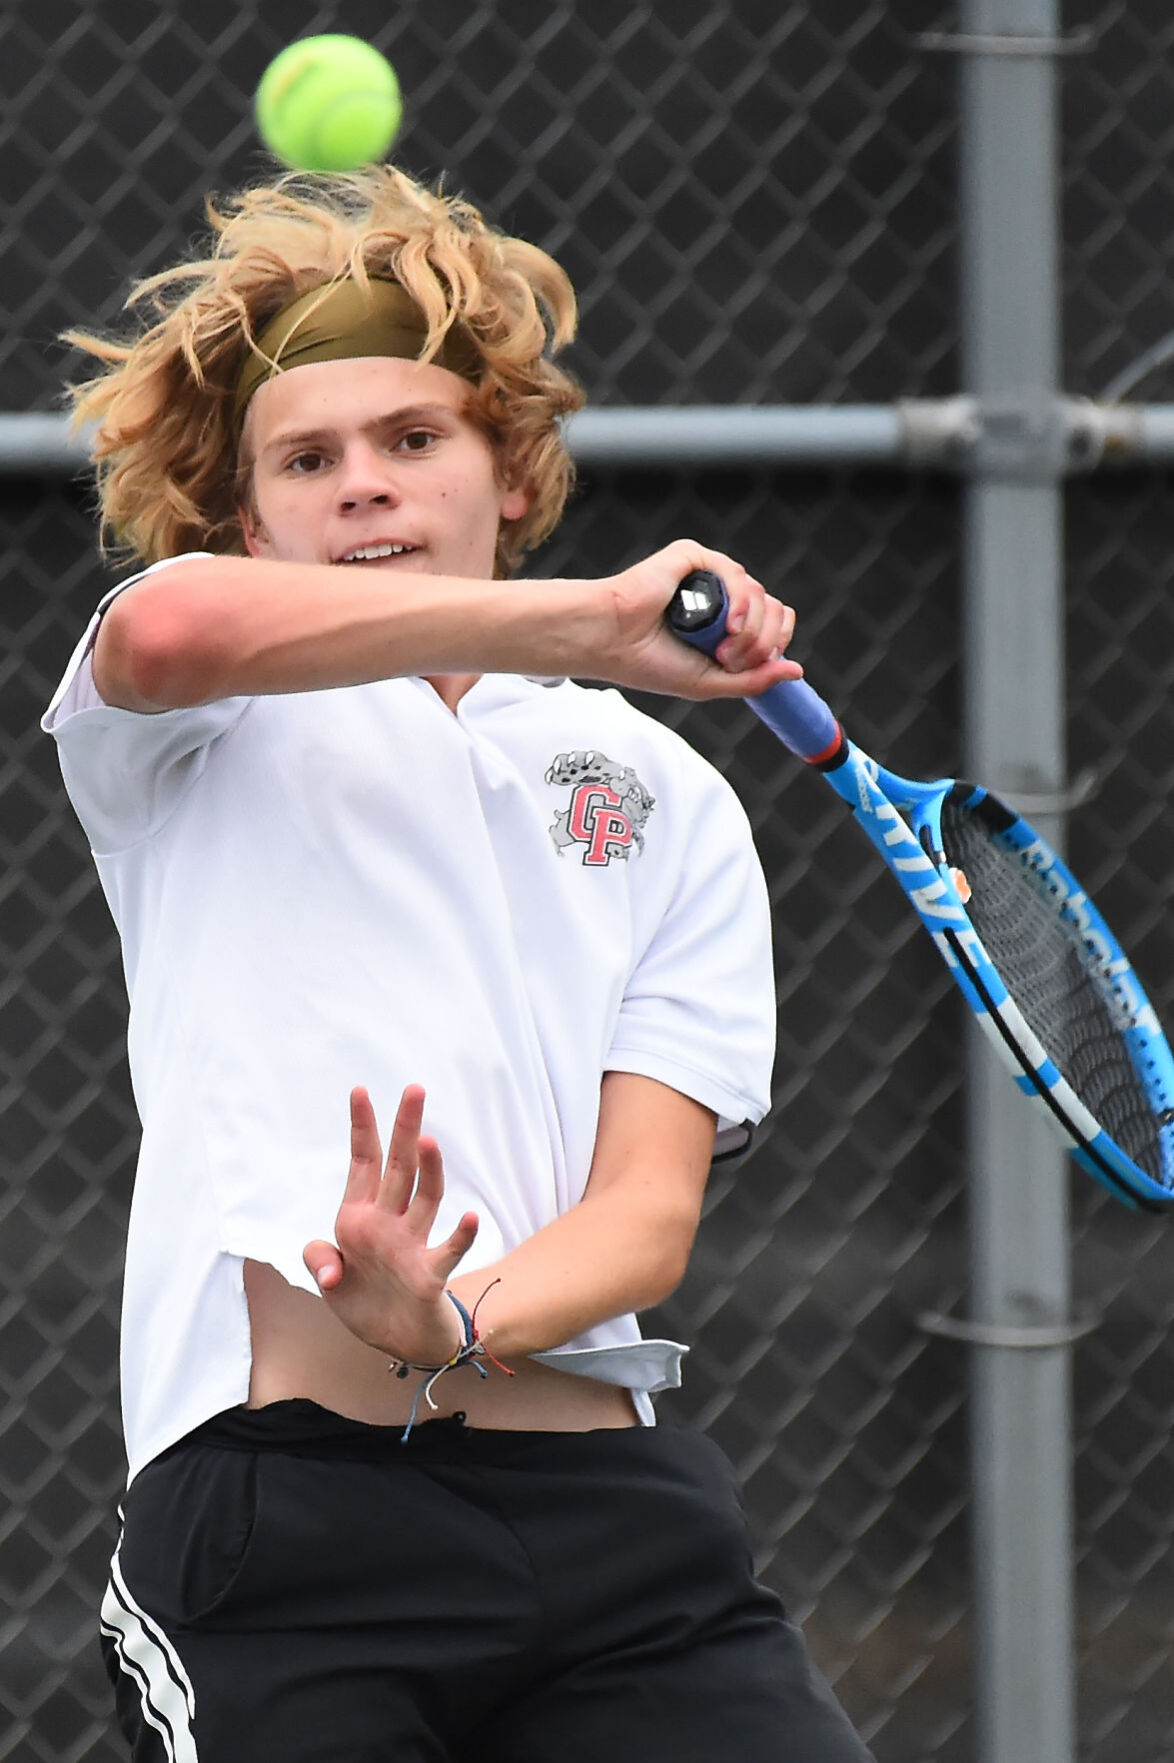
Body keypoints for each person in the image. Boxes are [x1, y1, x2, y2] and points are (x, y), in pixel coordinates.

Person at [43, 165, 873, 1762]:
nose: (363, 486)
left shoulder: (667, 794)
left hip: (621, 1545)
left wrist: (458, 1318)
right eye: (309, 460)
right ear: (247, 518)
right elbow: (165, 636)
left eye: (412, 441)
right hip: (284, 1541)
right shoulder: (193, 718)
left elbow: (643, 1212)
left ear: (508, 474)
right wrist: (580, 622)